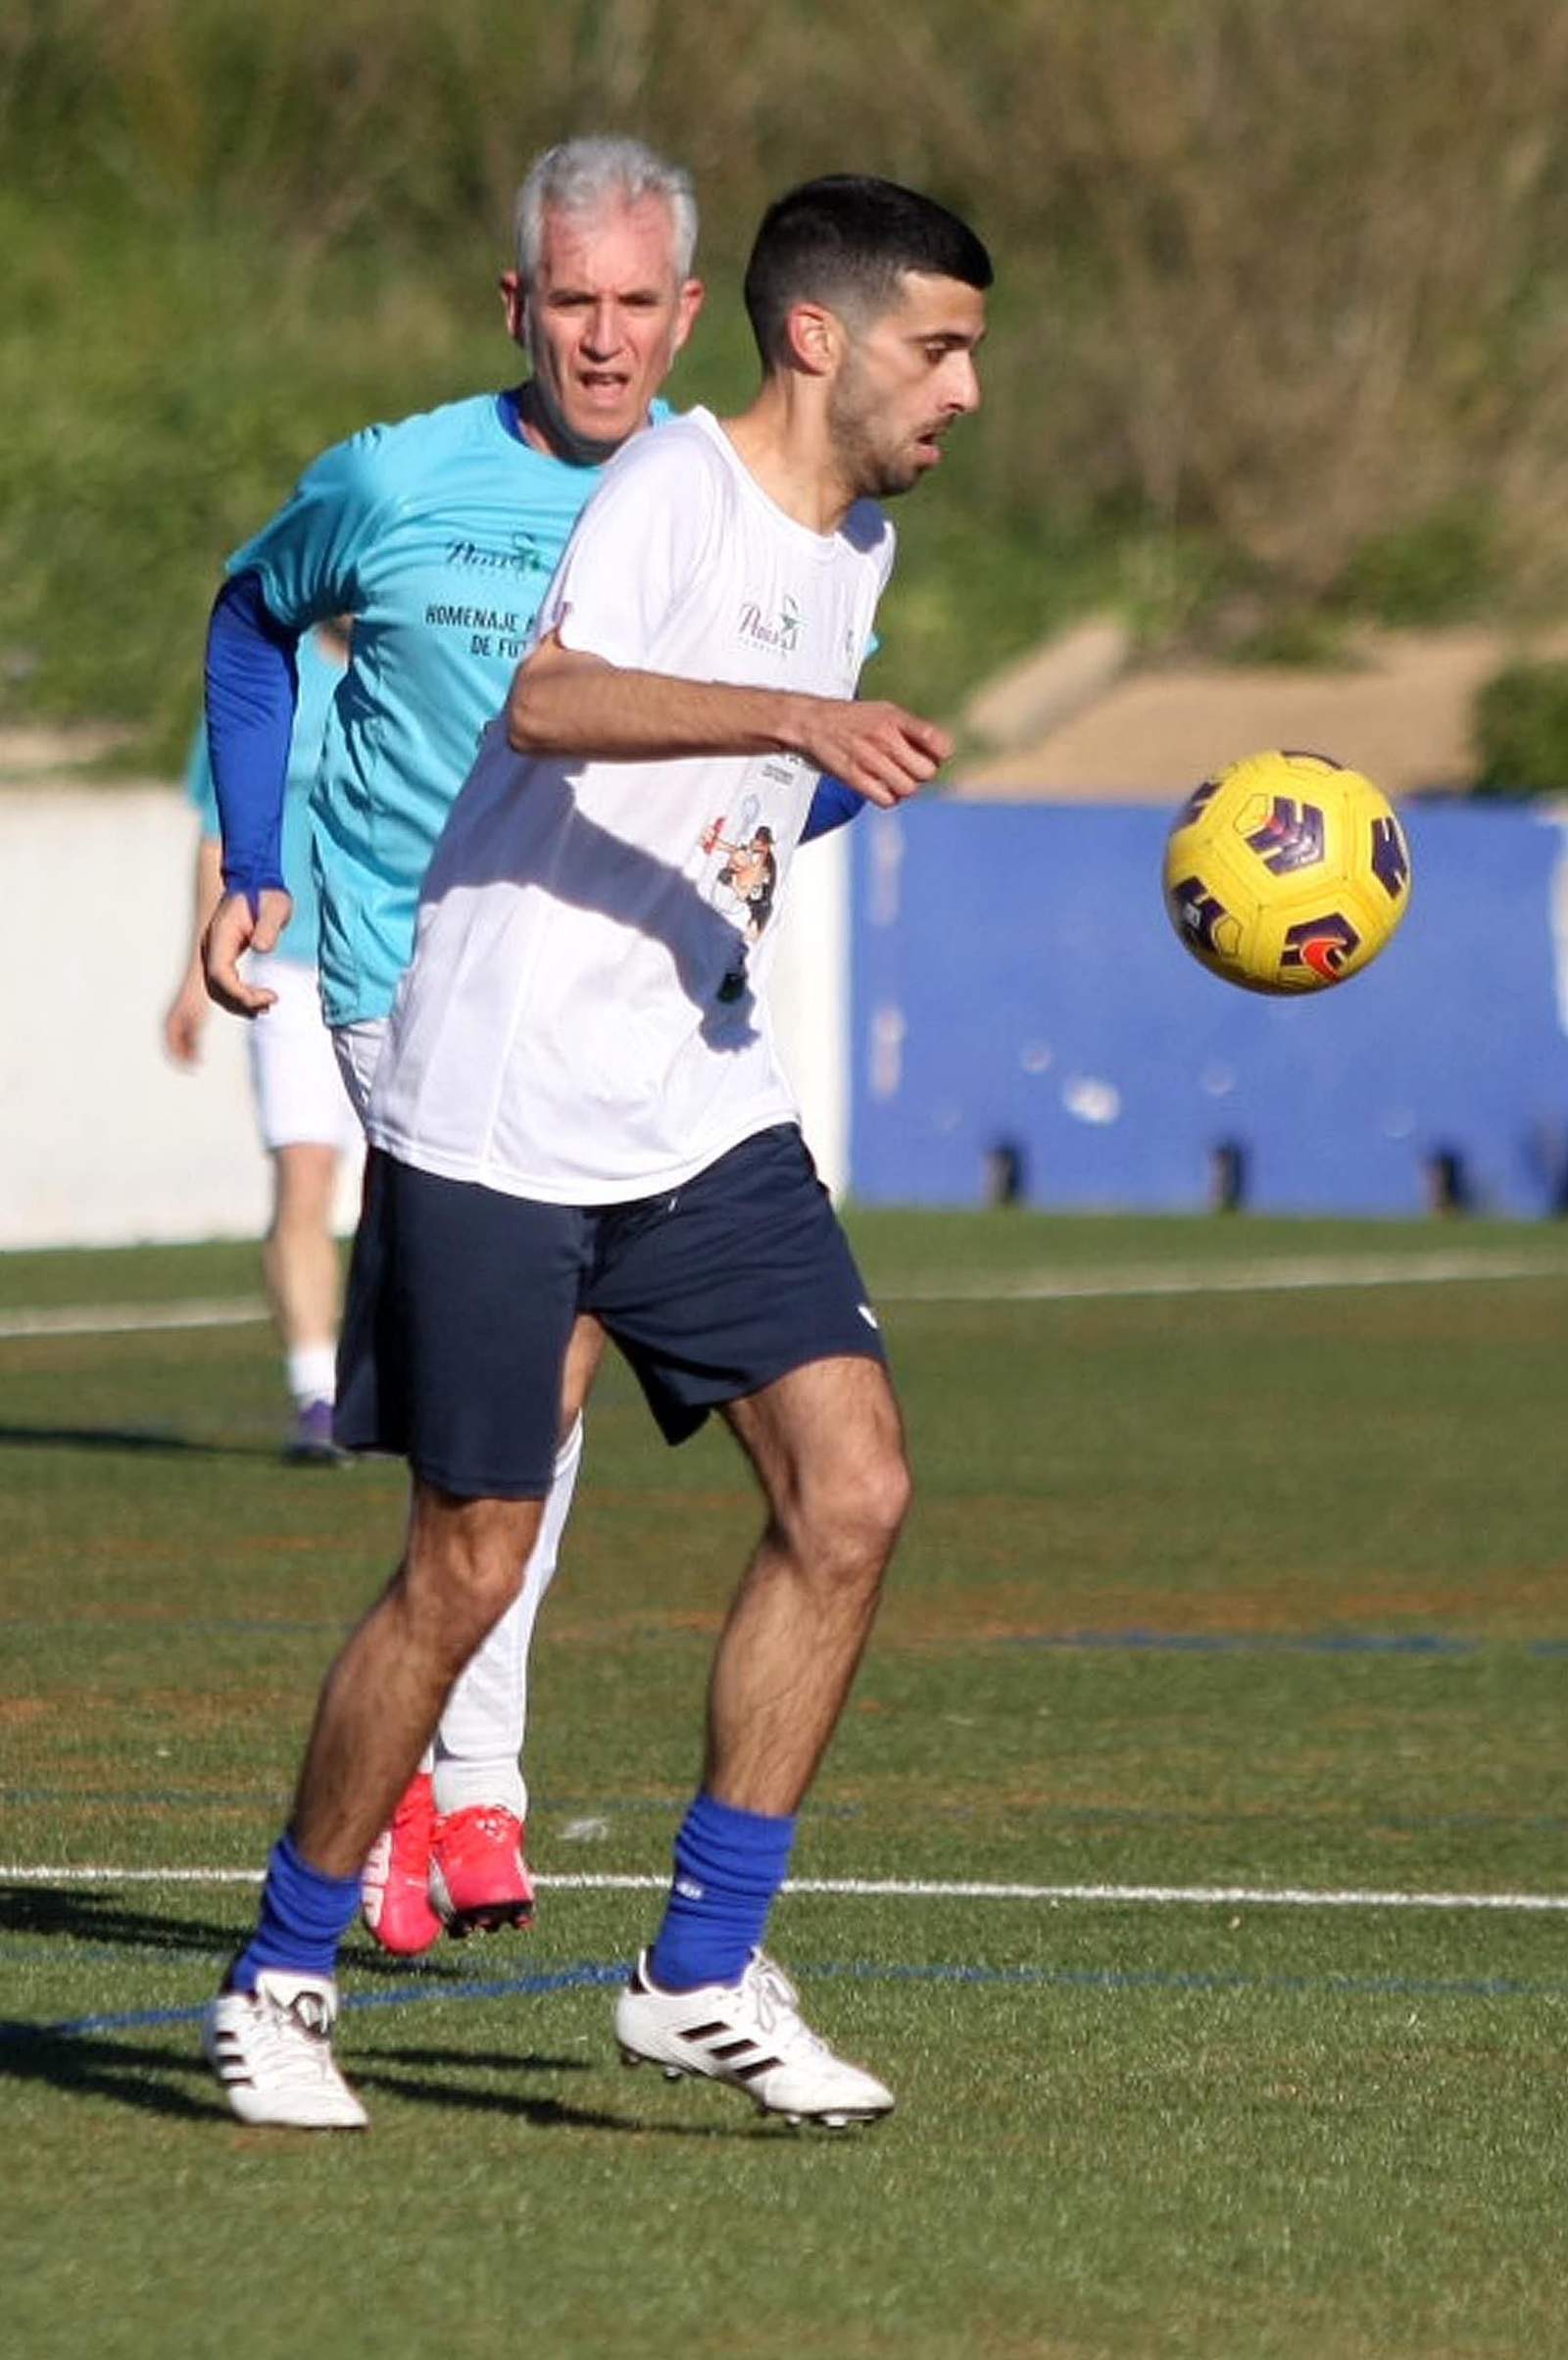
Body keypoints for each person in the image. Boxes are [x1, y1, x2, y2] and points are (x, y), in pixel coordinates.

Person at [201, 172, 991, 2132]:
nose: (964, 389)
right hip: (498, 1097)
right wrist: (799, 718)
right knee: (466, 1564)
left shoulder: (857, 543)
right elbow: (549, 701)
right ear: (815, 335)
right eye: (940, 345)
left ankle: (702, 1968)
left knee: (856, 1483)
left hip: (690, 1098)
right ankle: (282, 1967)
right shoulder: (676, 491)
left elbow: (727, 793)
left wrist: (803, 773)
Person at [197, 135, 715, 1958]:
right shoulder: (394, 476)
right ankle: (468, 1771)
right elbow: (252, 623)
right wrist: (256, 869)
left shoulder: (720, 506)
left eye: (632, 303)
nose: (600, 337)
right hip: (403, 986)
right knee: (527, 1384)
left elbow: (779, 758)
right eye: (568, 300)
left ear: (688, 314)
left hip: (604, 988)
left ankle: (438, 1758)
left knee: (533, 1385)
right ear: (518, 304)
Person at [163, 622, 361, 1463]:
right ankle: (319, 1392)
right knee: (304, 1168)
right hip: (289, 967)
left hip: (407, 961)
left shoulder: (432, 656)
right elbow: (217, 835)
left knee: (414, 1183)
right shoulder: (263, 677)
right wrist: (191, 974)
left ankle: (410, 1380)